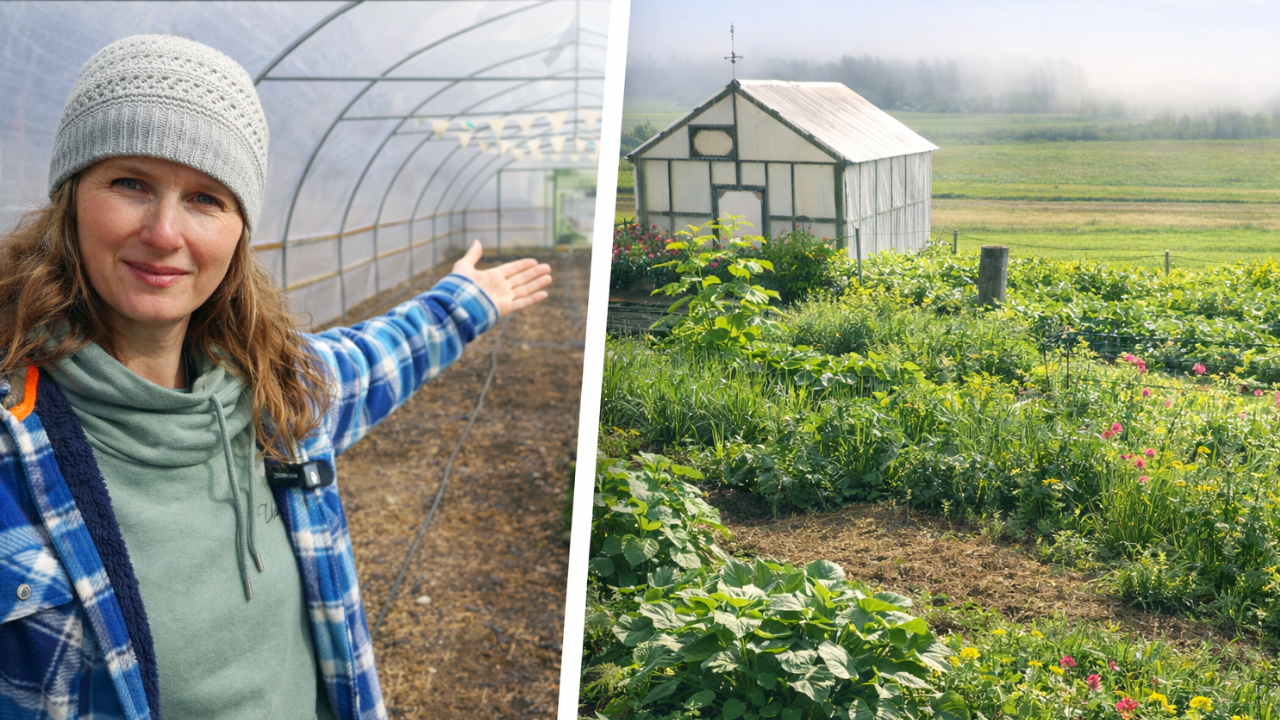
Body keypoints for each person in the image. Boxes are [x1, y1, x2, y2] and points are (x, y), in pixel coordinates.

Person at [0, 34, 551, 720]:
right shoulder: (14, 449)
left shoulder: (276, 393)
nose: (165, 233)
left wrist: (467, 301)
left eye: (206, 198)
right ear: (71, 198)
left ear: (238, 232)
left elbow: (378, 355)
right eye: (131, 183)